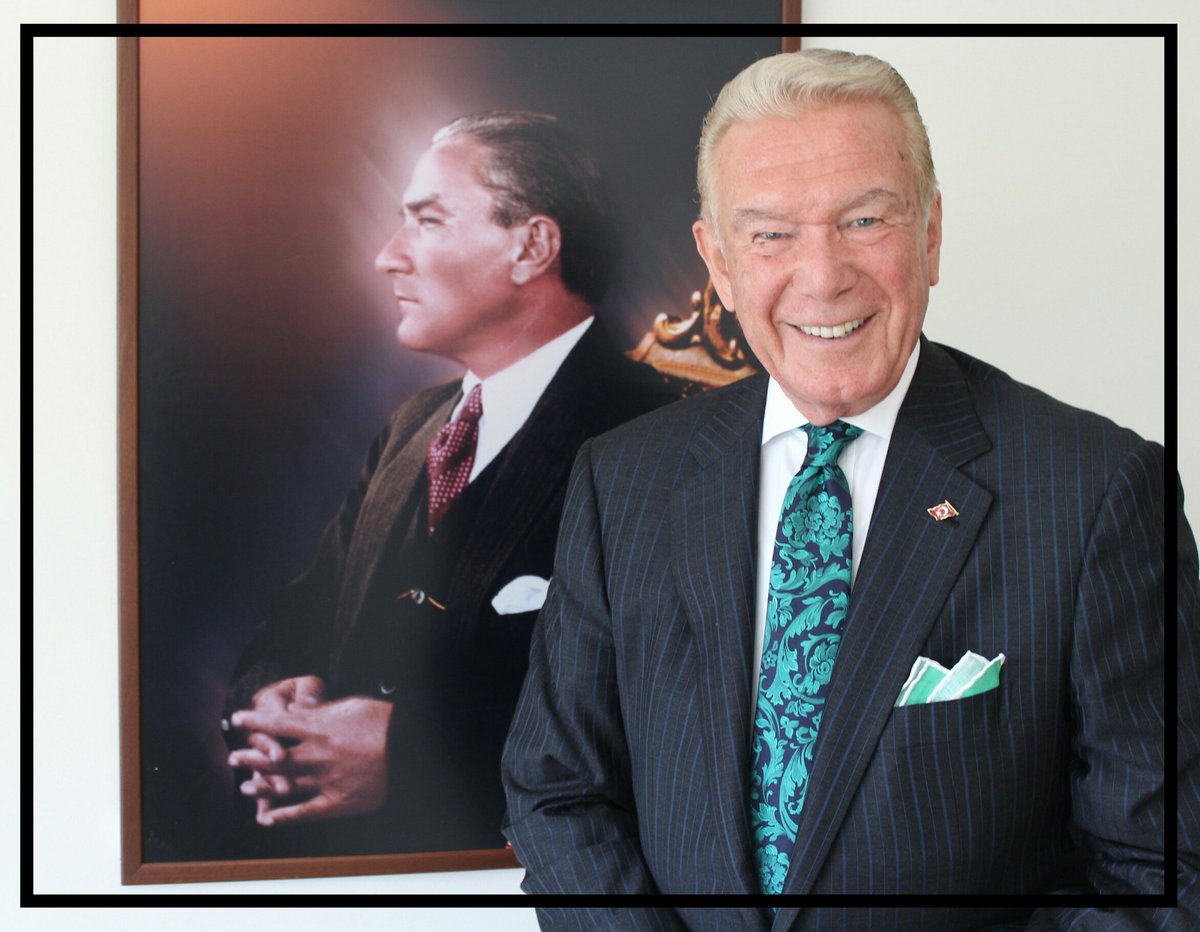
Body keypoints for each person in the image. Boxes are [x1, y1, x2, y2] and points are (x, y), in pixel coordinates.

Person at [501, 51, 1197, 928]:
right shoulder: (622, 480)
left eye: (864, 220)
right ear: (718, 262)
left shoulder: (1097, 491)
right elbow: (558, 790)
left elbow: (1158, 874)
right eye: (770, 234)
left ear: (930, 234)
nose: (823, 275)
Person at [221, 111, 681, 857]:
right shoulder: (413, 426)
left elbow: (667, 703)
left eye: (427, 220)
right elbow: (295, 621)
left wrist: (408, 754)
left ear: (532, 247)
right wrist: (275, 700)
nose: (387, 257)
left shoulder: (657, 433)